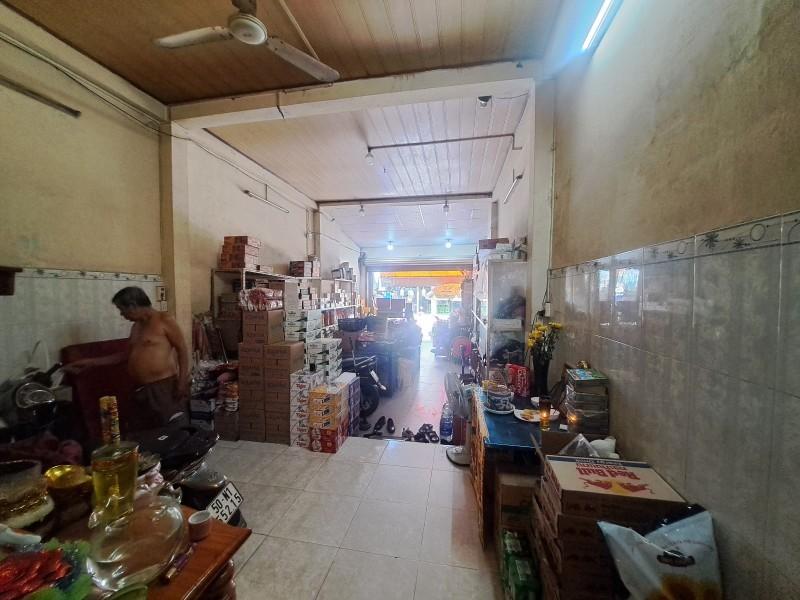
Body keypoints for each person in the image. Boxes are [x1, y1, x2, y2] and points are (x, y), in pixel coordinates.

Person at [65, 287, 190, 431]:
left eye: (122, 309)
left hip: (163, 388)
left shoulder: (164, 320)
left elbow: (182, 350)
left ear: (133, 305)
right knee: (146, 433)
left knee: (173, 430)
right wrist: (91, 362)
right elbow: (126, 355)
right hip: (140, 389)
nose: (121, 314)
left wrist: (182, 382)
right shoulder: (136, 327)